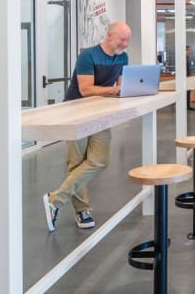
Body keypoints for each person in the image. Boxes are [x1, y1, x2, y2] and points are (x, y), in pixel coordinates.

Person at [43, 21, 131, 233]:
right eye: (122, 39)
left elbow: (121, 85)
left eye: (128, 40)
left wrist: (125, 90)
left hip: (100, 112)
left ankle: (55, 199)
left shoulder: (123, 57)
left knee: (100, 160)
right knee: (77, 161)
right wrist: (114, 90)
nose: (125, 44)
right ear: (109, 35)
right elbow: (85, 89)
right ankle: (82, 210)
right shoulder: (88, 56)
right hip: (75, 111)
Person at [185, 45, 195, 110]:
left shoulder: (187, 58)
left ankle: (187, 106)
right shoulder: (184, 58)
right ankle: (187, 106)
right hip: (185, 78)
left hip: (187, 77)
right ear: (186, 50)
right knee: (187, 92)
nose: (190, 51)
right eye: (189, 50)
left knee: (188, 92)